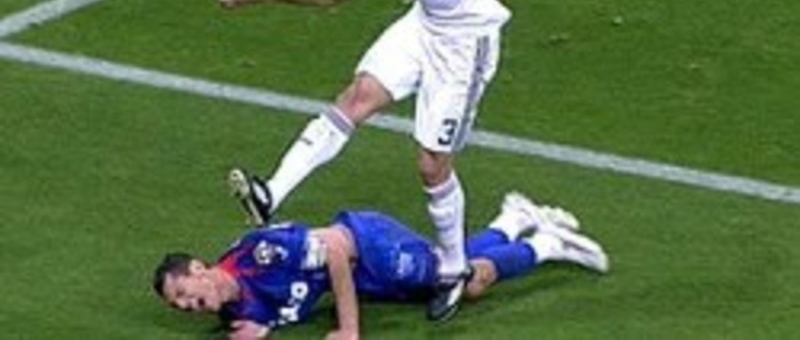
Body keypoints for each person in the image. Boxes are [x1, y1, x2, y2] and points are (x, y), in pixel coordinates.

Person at [217, 0, 512, 321]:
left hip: (465, 43)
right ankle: (271, 193)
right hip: (426, 22)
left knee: (432, 165)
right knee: (356, 98)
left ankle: (452, 269)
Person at [153, 192, 610, 340]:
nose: (189, 306)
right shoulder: (237, 313)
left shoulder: (259, 255)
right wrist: (264, 328)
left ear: (199, 268)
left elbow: (335, 248)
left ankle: (547, 245)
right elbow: (284, 302)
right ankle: (513, 219)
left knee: (464, 283)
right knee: (449, 273)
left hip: (370, 246)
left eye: (184, 293)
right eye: (180, 306)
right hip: (364, 278)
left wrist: (349, 330)